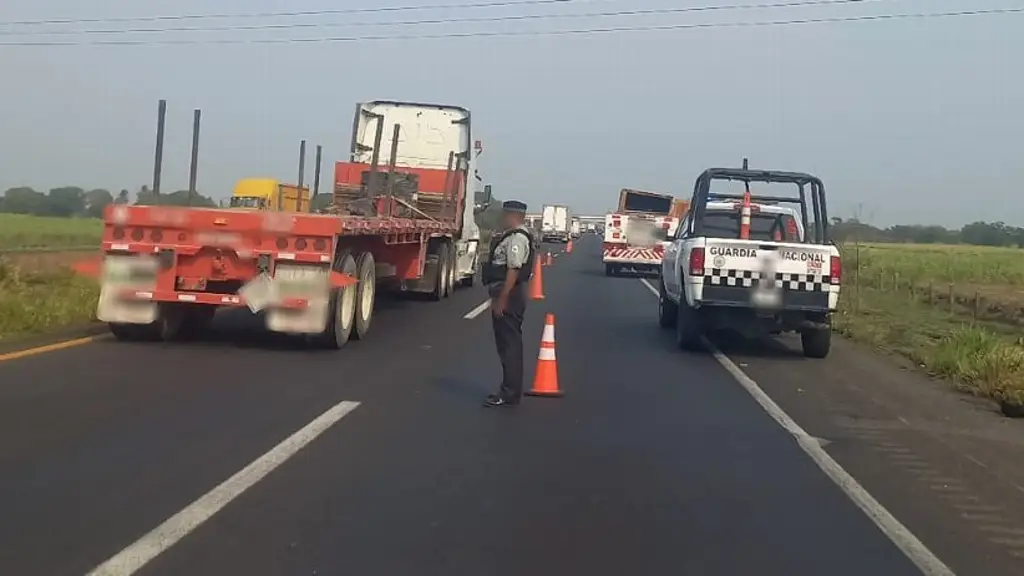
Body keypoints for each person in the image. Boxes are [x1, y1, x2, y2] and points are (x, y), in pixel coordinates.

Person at [482, 200, 535, 408]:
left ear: (512, 215)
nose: (503, 218)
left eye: (505, 214)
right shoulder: (515, 236)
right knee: (508, 344)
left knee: (509, 345)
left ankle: (509, 392)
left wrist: (502, 300)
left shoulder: (516, 238)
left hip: (510, 296)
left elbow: (513, 269)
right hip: (510, 293)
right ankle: (510, 390)